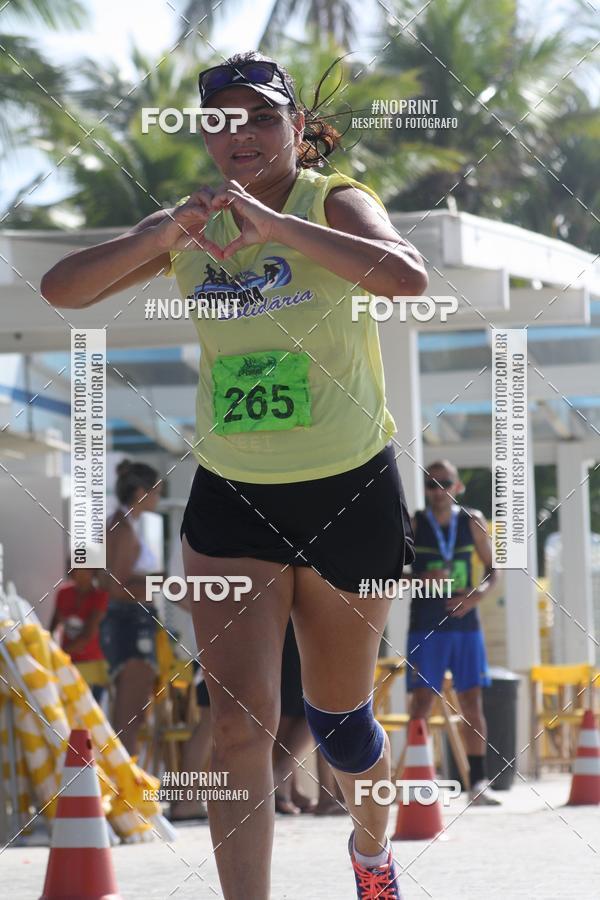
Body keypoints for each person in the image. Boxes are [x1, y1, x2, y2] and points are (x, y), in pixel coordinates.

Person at [41, 50, 426, 899]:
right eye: (221, 120)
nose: (240, 133)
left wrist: (275, 226)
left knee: (339, 725)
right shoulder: (192, 225)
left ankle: (370, 857)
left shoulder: (334, 199)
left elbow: (406, 277)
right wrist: (159, 234)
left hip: (348, 489)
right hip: (234, 496)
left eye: (259, 117)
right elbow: (61, 290)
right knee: (240, 726)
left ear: (295, 128)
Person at [406, 460, 500, 805]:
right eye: (431, 483)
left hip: (464, 624)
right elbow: (388, 574)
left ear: (457, 486)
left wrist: (477, 596)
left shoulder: (472, 520)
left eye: (444, 482)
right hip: (425, 625)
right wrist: (419, 580)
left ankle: (478, 782)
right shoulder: (415, 523)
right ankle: (419, 782)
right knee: (421, 703)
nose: (437, 489)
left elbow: (494, 571)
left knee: (472, 702)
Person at [98, 460, 163, 756]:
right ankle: (124, 787)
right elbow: (115, 585)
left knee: (133, 715)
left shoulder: (123, 524)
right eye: (156, 492)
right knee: (130, 716)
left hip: (132, 619)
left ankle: (124, 784)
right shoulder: (122, 528)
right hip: (131, 621)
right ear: (140, 492)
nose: (158, 499)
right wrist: (160, 583)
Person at [50, 567, 109, 704]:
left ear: (94, 571)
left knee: (91, 713)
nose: (80, 574)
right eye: (76, 569)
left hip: (93, 665)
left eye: (86, 570)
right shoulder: (63, 593)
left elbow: (87, 636)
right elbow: (53, 625)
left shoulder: (100, 596)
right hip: (68, 663)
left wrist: (57, 654)